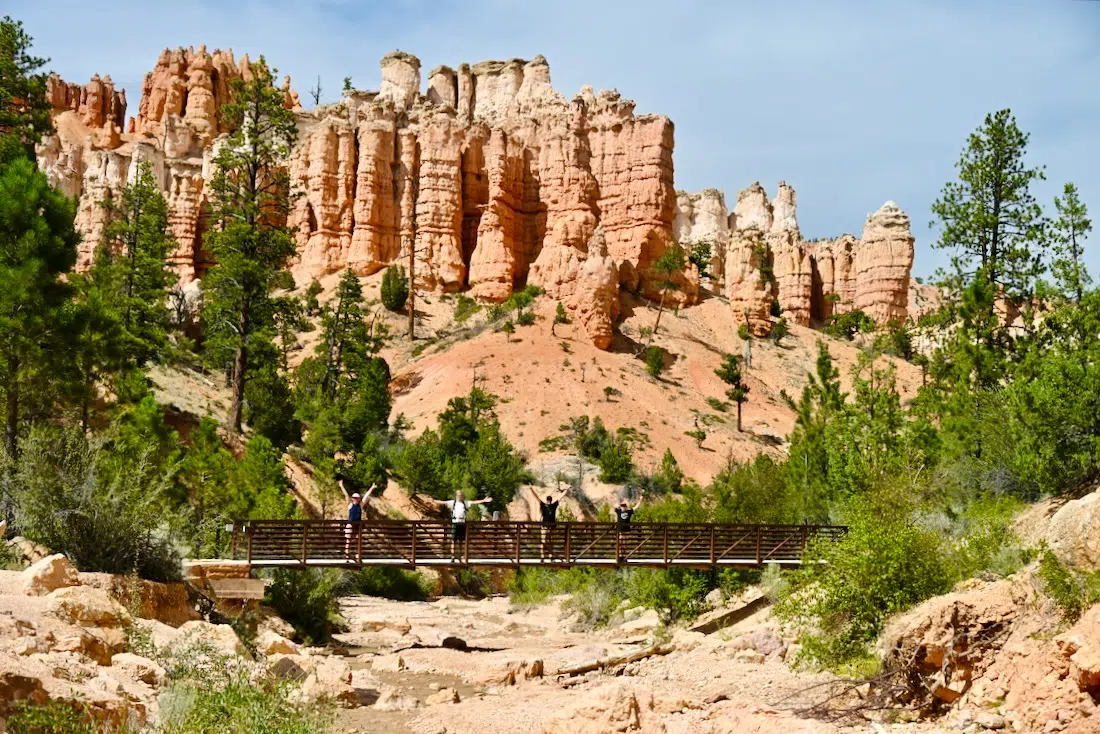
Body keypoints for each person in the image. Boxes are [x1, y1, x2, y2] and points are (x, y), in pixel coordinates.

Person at [423, 490, 491, 561]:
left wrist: (484, 500)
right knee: (453, 540)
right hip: (455, 522)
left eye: (461, 495)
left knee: (461, 541)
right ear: (456, 496)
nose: (459, 496)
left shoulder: (465, 503)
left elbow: (474, 502)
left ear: (462, 496)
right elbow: (442, 502)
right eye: (458, 495)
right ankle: (453, 556)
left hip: (462, 523)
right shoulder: (453, 503)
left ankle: (461, 555)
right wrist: (432, 500)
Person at [529, 486, 570, 562]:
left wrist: (566, 490)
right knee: (543, 541)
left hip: (552, 526)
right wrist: (531, 489)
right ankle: (542, 557)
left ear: (551, 500)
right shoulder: (543, 505)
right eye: (548, 500)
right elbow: (536, 496)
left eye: (549, 500)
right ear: (547, 500)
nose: (549, 501)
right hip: (544, 526)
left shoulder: (553, 505)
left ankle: (551, 557)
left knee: (551, 542)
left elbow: (560, 497)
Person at [343, 483, 375, 559]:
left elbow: (366, 495)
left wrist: (372, 487)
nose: (356, 499)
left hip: (358, 526)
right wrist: (342, 486)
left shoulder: (360, 505)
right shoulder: (350, 505)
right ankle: (347, 556)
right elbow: (346, 495)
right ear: (352, 498)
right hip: (351, 525)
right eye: (355, 498)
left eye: (357, 498)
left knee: (358, 541)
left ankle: (357, 555)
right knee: (349, 541)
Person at [615, 496, 643, 562]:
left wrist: (640, 500)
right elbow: (614, 504)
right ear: (620, 507)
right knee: (620, 544)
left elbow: (636, 507)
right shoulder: (618, 511)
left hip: (626, 531)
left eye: (624, 506)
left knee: (625, 544)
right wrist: (620, 501)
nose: (623, 507)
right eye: (622, 506)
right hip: (620, 531)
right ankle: (620, 556)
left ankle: (624, 557)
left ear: (626, 507)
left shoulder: (628, 512)